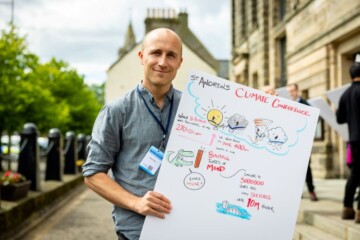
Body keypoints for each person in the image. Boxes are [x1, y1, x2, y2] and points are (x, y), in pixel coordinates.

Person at [82, 28, 183, 240]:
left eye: (171, 55)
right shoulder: (116, 111)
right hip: (137, 232)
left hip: (186, 229)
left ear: (180, 62)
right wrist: (136, 203)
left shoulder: (193, 109)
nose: (163, 62)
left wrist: (266, 107)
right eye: (156, 53)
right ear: (141, 56)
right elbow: (93, 174)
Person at [336, 54, 360, 223]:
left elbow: (340, 119)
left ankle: (347, 208)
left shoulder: (344, 95)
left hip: (353, 139)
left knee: (355, 174)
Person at [286, 83, 318, 201]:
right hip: (292, 142)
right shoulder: (288, 105)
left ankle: (311, 190)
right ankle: (296, 192)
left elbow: (314, 119)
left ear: (297, 90)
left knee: (306, 168)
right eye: (289, 91)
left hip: (304, 142)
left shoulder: (305, 104)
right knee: (294, 168)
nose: (291, 93)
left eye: (293, 90)